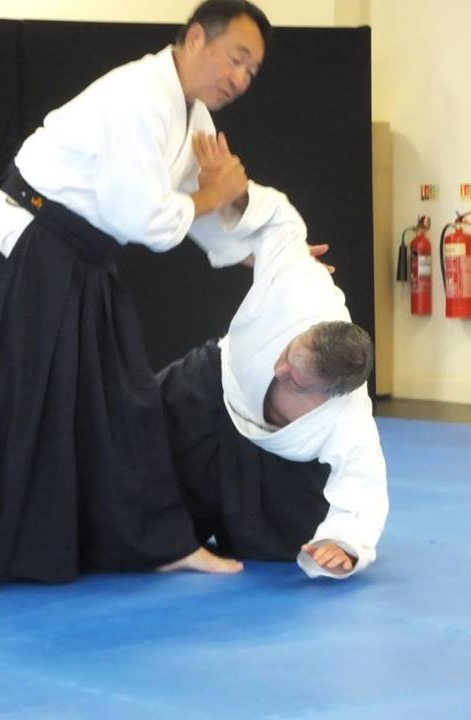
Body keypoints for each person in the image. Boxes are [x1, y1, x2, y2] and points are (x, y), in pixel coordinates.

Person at [0, 1, 271, 594]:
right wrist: (215, 194)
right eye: (236, 58)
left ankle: (161, 544)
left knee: (121, 398)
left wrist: (263, 250)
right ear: (196, 37)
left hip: (81, 253)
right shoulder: (137, 97)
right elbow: (144, 217)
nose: (241, 78)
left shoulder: (191, 116)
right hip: (25, 240)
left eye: (252, 71)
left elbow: (197, 214)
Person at [158, 141, 389, 579]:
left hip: (274, 464)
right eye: (287, 355)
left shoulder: (348, 414)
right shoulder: (301, 284)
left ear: (328, 393)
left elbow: (363, 483)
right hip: (211, 389)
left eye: (293, 379)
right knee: (128, 437)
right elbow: (280, 218)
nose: (278, 369)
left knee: (290, 542)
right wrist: (235, 193)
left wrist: (343, 542)